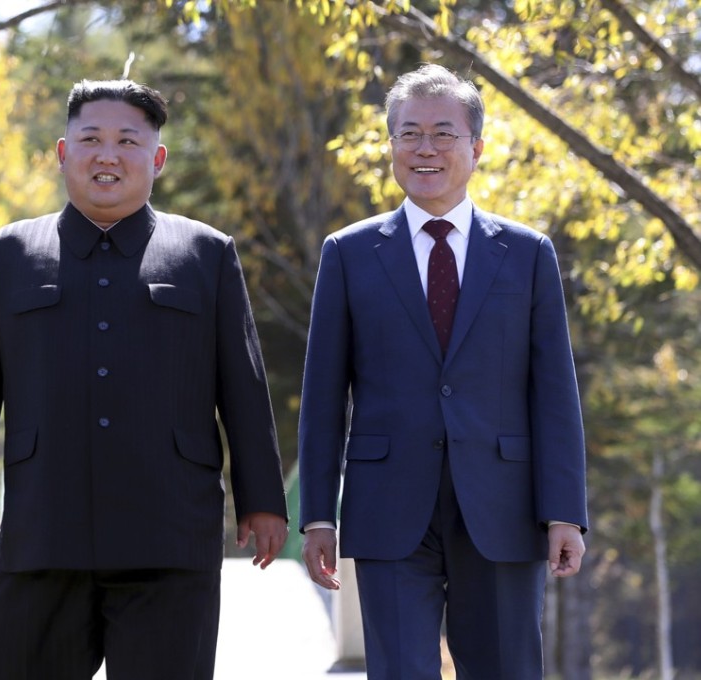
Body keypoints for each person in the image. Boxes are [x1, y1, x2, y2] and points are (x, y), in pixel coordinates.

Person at [0, 79, 288, 680]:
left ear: (156, 159)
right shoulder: (7, 254)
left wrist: (263, 501)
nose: (107, 155)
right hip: (43, 532)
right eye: (90, 139)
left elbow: (242, 386)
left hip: (170, 534)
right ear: (63, 153)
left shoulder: (205, 254)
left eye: (127, 141)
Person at [297, 64, 588, 679]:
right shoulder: (347, 254)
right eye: (409, 134)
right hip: (388, 510)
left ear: (476, 148)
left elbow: (554, 392)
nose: (424, 148)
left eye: (442, 133)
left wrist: (565, 509)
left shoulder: (528, 253)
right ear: (391, 146)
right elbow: (323, 395)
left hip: (505, 508)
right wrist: (320, 514)